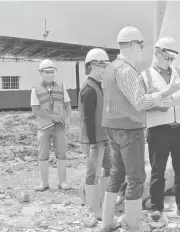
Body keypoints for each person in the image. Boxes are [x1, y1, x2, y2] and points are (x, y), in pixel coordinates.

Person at [101, 26, 180, 231]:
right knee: (137, 177)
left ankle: (107, 222)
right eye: (140, 45)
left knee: (116, 174)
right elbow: (140, 103)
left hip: (112, 127)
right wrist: (167, 92)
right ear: (131, 45)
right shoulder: (126, 70)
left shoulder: (110, 68)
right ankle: (133, 224)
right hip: (129, 129)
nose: (141, 49)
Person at [140, 37, 180, 221]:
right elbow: (142, 103)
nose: (170, 62)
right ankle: (156, 208)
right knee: (158, 170)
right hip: (158, 129)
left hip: (179, 126)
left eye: (172, 58)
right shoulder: (145, 76)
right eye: (166, 57)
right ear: (157, 53)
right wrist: (162, 102)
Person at [78, 48, 112, 219]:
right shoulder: (89, 89)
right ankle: (93, 208)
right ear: (91, 66)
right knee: (93, 173)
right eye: (101, 65)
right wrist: (92, 144)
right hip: (94, 140)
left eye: (106, 65)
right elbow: (87, 119)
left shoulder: (99, 86)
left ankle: (104, 201)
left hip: (104, 138)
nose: (104, 68)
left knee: (109, 169)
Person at [31, 59, 72, 191]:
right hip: (43, 127)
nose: (49, 74)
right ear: (40, 73)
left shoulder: (61, 86)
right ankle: (44, 183)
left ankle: (62, 182)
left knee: (62, 153)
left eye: (52, 71)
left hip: (59, 126)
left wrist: (69, 117)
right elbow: (35, 110)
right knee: (43, 155)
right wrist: (52, 117)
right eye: (47, 72)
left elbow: (68, 104)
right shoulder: (35, 90)